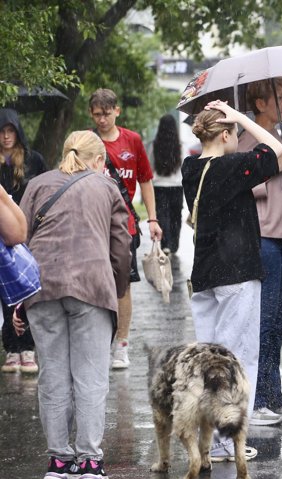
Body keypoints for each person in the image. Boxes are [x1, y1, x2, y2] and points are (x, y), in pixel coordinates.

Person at [182, 100, 282, 460]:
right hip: (238, 272)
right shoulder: (234, 166)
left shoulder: (190, 167)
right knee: (237, 357)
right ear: (227, 133)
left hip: (205, 274)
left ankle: (211, 439)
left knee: (210, 357)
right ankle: (228, 439)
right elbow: (277, 150)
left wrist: (235, 121)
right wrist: (243, 116)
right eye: (235, 132)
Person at [19, 130, 132, 479]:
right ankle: (89, 464)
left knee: (52, 375)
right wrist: (118, 291)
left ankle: (58, 462)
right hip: (90, 287)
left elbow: (18, 241)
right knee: (90, 377)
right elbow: (121, 249)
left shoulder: (37, 184)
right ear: (98, 160)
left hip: (42, 287)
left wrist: (19, 300)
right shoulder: (106, 187)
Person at [89, 89, 162, 370]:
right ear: (91, 114)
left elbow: (145, 179)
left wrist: (152, 219)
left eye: (107, 114)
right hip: (93, 224)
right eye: (97, 115)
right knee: (94, 284)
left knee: (123, 286)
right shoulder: (87, 142)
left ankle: (121, 343)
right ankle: (98, 341)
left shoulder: (132, 140)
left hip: (125, 225)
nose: (102, 119)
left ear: (117, 111)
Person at [238, 78, 282, 426]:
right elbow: (246, 185)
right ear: (260, 104)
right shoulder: (248, 140)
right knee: (262, 321)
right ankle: (257, 399)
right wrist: (274, 163)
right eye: (281, 97)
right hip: (261, 238)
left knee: (278, 321)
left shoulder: (279, 139)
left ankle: (273, 396)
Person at [0, 108, 47, 374]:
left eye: (10, 131)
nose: (6, 137)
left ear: (17, 133)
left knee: (26, 287)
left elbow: (44, 191)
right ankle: (11, 348)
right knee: (5, 288)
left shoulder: (33, 160)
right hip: (1, 234)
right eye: (2, 132)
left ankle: (28, 347)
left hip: (26, 230)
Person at [151, 114, 183, 254]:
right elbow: (183, 167)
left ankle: (165, 243)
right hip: (177, 186)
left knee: (162, 215)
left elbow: (150, 165)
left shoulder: (155, 145)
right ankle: (174, 244)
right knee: (176, 216)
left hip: (158, 186)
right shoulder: (179, 146)